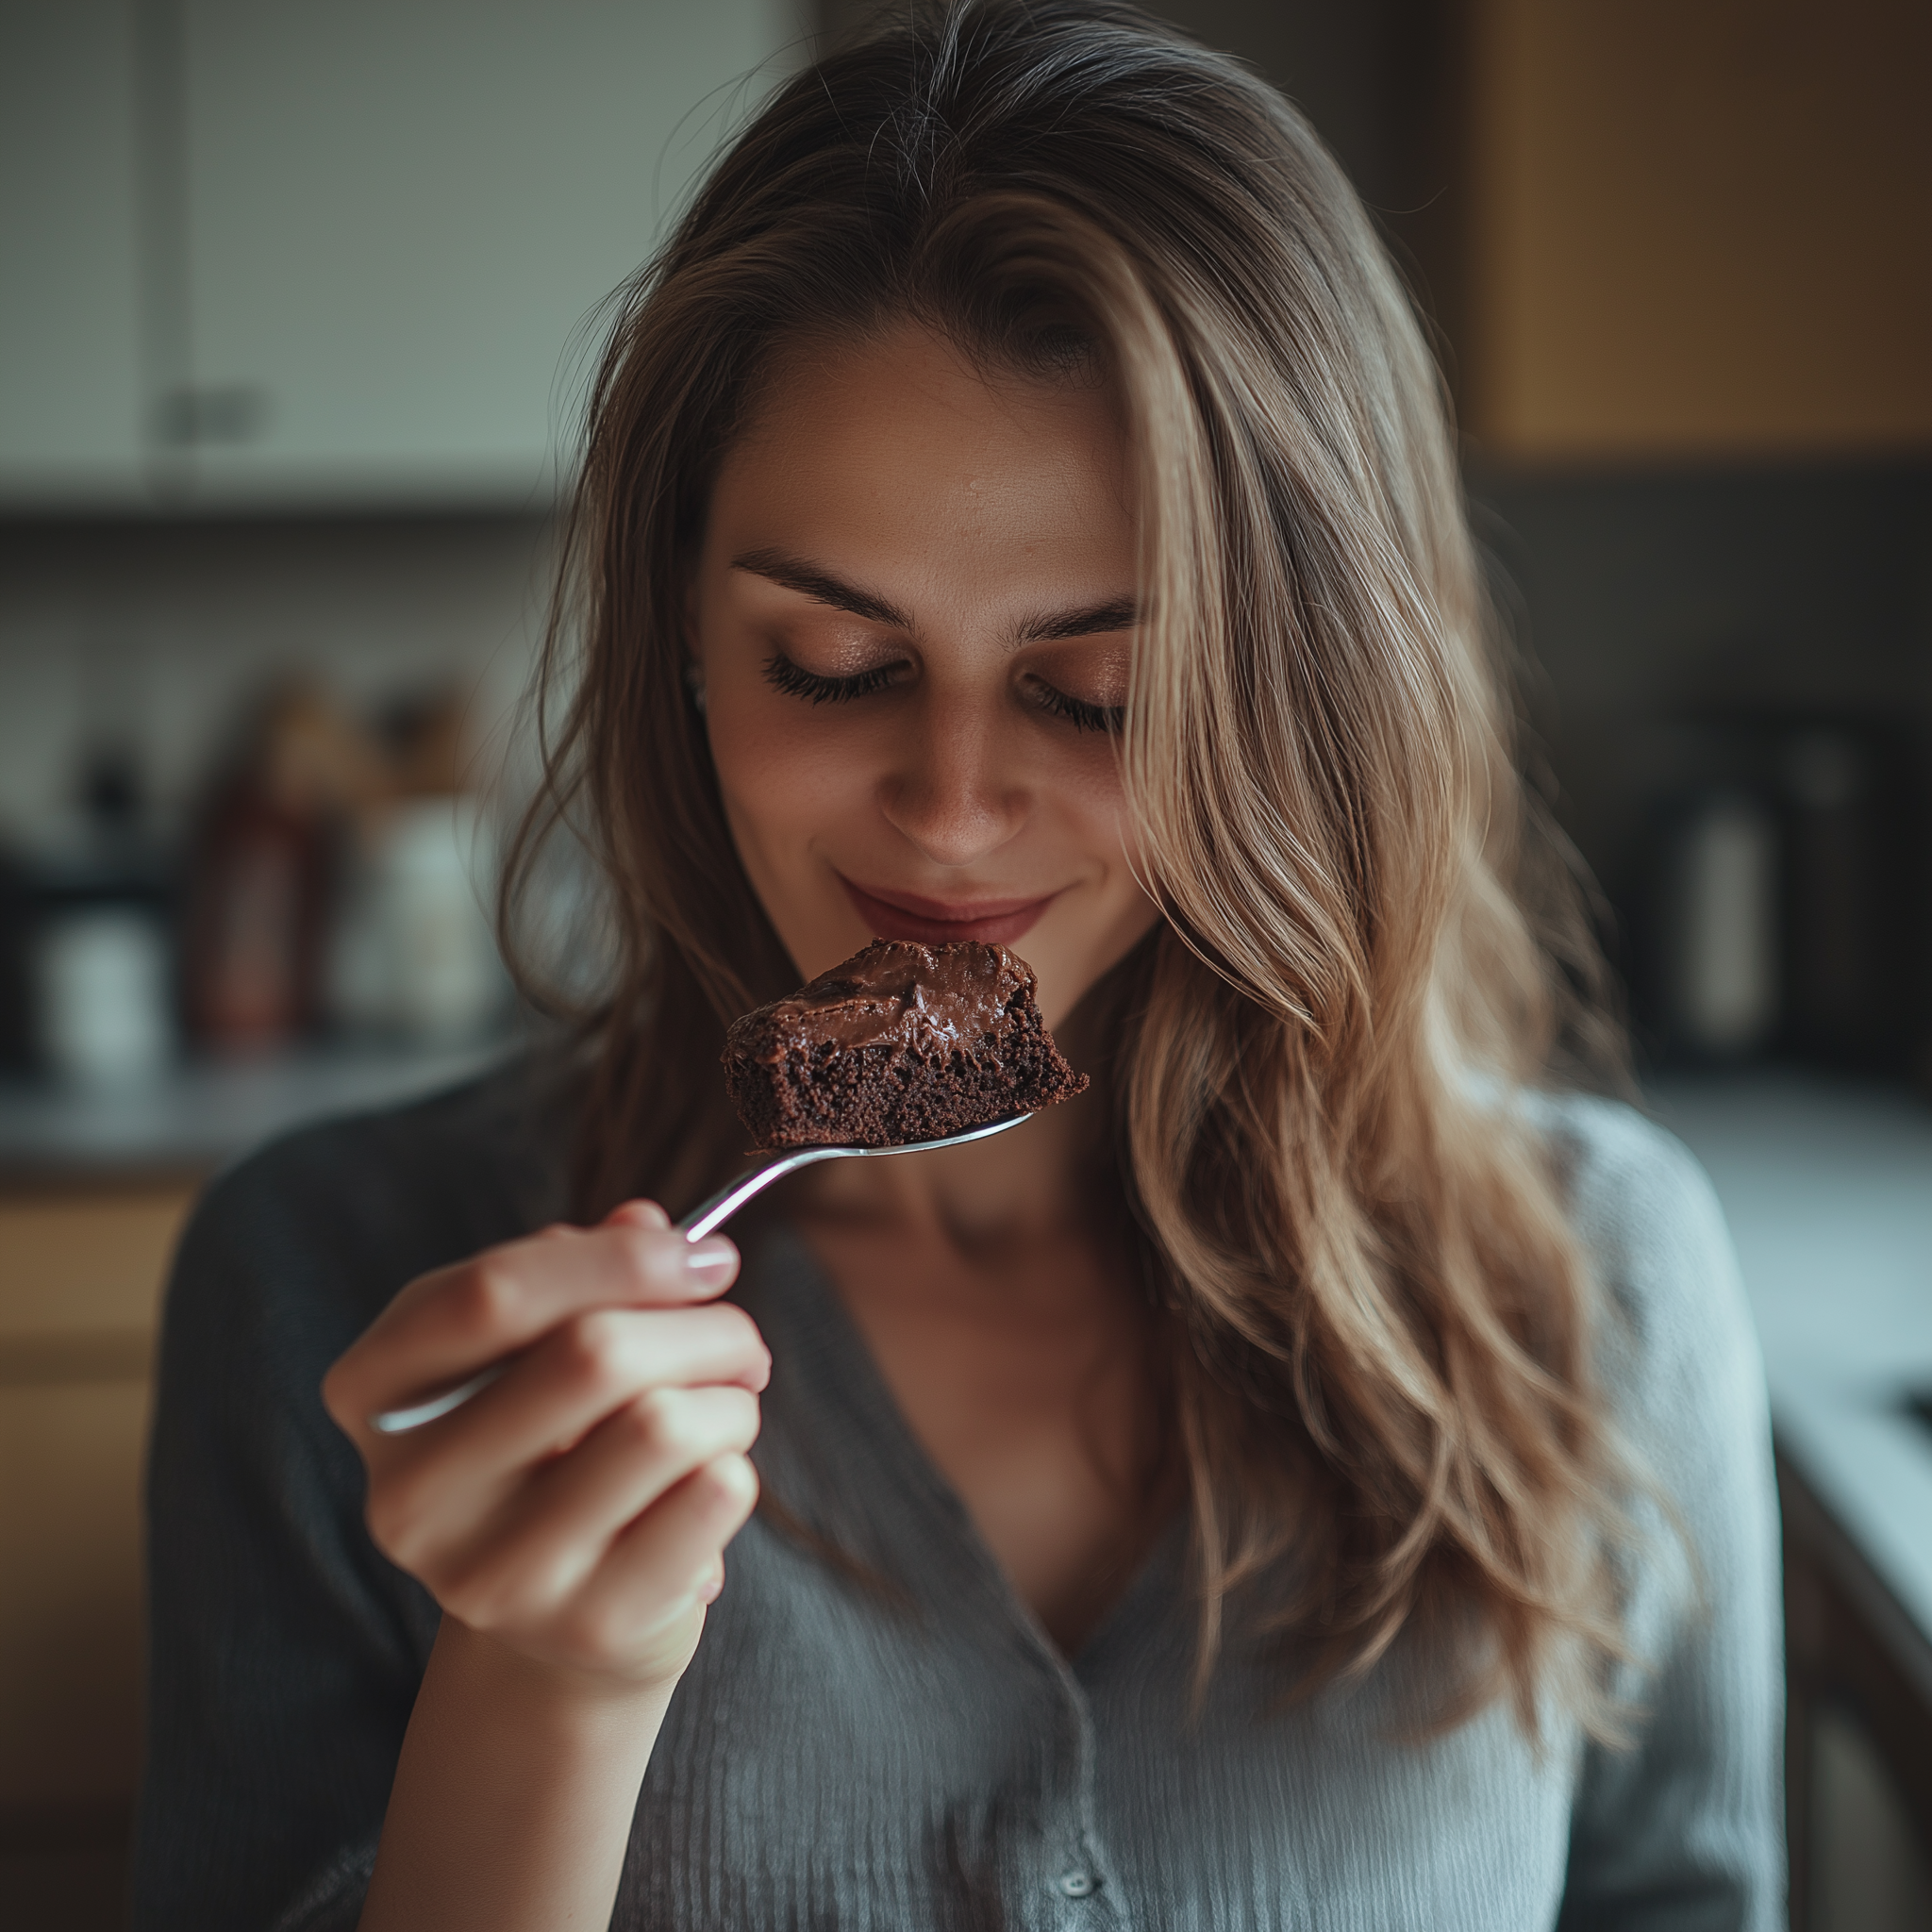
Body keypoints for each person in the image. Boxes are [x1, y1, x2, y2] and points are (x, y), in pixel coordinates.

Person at [133, 5, 1784, 1927]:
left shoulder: (1592, 1287)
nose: (949, 810)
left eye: (1101, 695)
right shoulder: (326, 1285)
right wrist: (547, 1692)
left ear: (1306, 705)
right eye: (832, 668)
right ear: (680, 627)